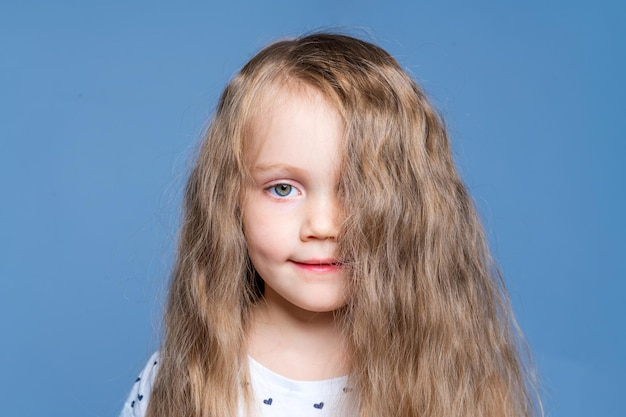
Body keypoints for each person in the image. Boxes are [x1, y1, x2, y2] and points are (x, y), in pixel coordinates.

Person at [119, 32, 541, 417]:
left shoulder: (448, 374)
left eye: (359, 189)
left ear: (413, 211)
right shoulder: (182, 376)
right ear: (228, 200)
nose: (322, 226)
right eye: (283, 189)